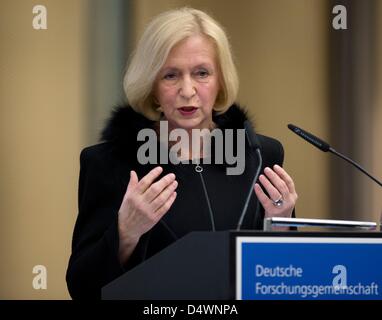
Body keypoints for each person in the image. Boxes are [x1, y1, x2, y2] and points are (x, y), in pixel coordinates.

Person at [66, 7, 298, 299]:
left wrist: (281, 226)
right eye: (171, 75)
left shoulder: (261, 156)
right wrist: (125, 232)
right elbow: (82, 288)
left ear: (221, 80)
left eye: (201, 73)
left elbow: (283, 277)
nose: (187, 91)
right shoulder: (108, 163)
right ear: (151, 85)